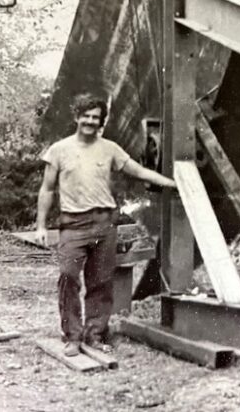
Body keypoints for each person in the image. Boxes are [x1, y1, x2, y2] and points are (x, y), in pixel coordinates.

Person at [36, 93, 176, 357]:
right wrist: (41, 226)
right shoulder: (59, 150)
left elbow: (137, 171)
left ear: (101, 122)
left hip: (104, 222)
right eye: (86, 116)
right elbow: (46, 190)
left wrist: (169, 182)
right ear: (77, 117)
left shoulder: (110, 148)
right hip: (73, 224)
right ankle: (73, 336)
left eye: (95, 118)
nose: (90, 121)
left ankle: (96, 334)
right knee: (68, 276)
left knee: (100, 281)